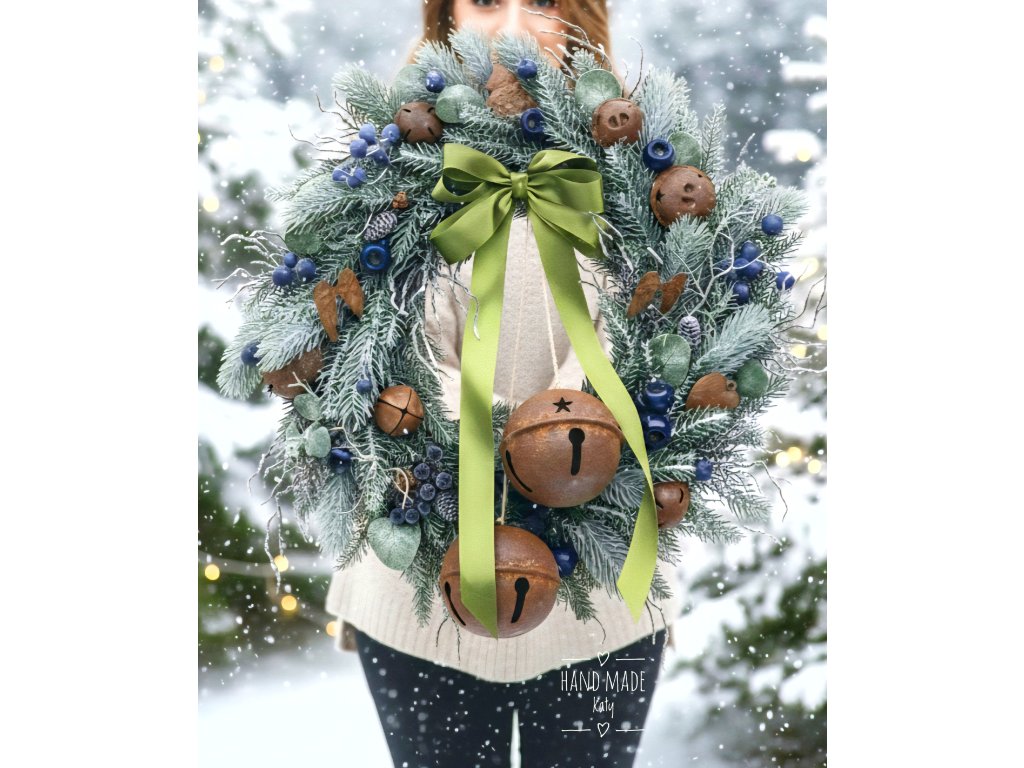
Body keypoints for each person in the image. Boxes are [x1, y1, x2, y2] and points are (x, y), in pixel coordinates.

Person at [326, 2, 682, 765]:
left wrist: (561, 439)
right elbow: (372, 351)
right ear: (446, 14)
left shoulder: (644, 179)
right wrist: (486, 436)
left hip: (601, 601)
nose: (515, 27)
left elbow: (655, 335)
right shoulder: (382, 174)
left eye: (544, 1)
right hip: (421, 601)